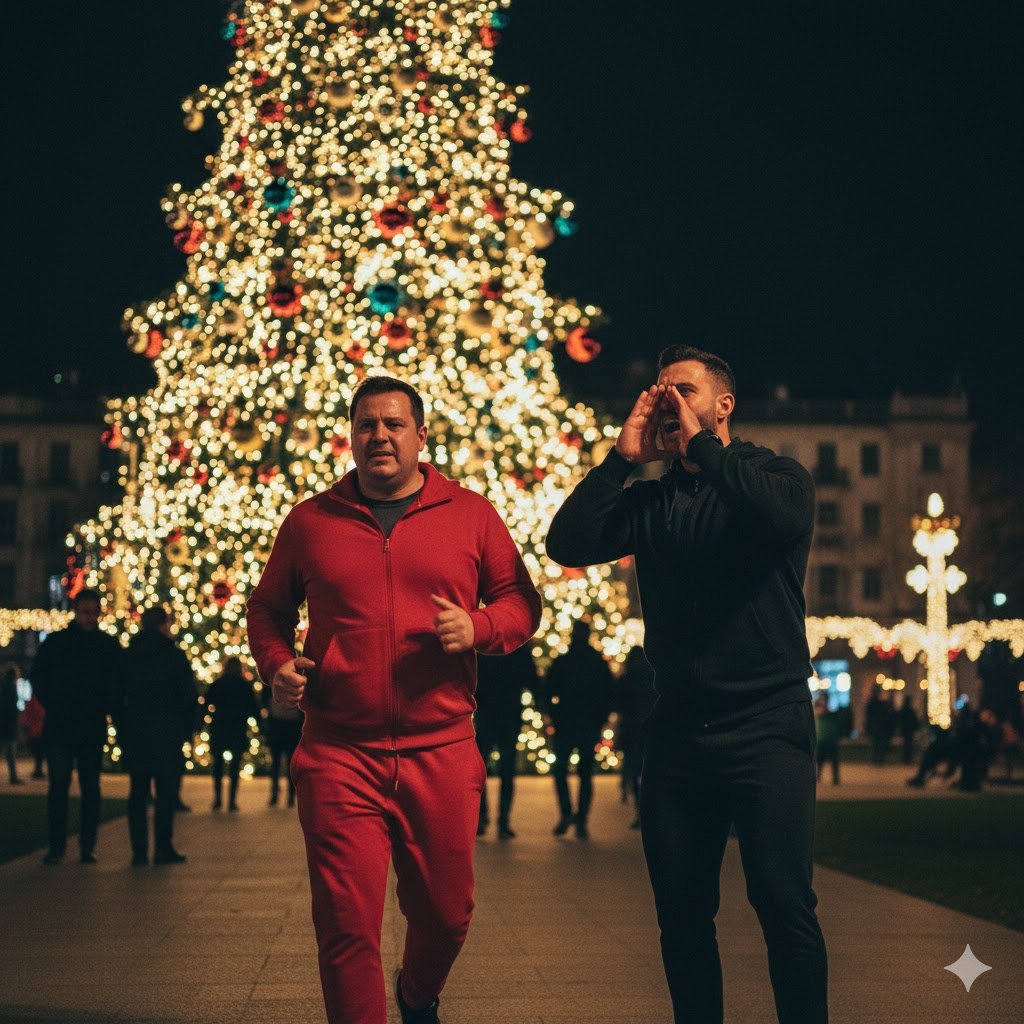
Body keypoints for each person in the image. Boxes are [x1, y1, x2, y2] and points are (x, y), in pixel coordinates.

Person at [546, 345, 828, 1023]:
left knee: (784, 904)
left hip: (768, 725)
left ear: (723, 406)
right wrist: (620, 462)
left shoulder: (775, 476)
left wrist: (705, 448)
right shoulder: (651, 502)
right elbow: (566, 543)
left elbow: (784, 519)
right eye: (660, 391)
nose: (668, 402)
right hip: (678, 732)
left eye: (685, 391)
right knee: (681, 915)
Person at [247, 375, 541, 1024]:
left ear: (421, 436)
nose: (379, 435)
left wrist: (479, 627)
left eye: (393, 424)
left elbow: (522, 602)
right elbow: (267, 608)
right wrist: (276, 663)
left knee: (447, 914)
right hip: (338, 754)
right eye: (366, 425)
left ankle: (417, 993)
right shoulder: (310, 521)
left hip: (442, 751)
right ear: (351, 437)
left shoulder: (471, 514)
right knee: (345, 927)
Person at [30, 588, 120, 865]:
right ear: (76, 612)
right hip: (64, 725)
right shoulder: (59, 643)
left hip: (85, 726)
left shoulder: (105, 645)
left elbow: (116, 684)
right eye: (86, 612)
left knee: (89, 788)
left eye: (93, 613)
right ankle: (59, 847)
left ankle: (85, 846)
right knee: (60, 787)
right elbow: (38, 677)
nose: (90, 618)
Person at [114, 605, 198, 865]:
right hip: (167, 734)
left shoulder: (129, 655)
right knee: (165, 794)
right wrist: (187, 729)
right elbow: (188, 697)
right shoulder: (174, 656)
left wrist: (123, 728)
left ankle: (139, 851)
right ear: (164, 625)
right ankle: (163, 847)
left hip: (137, 732)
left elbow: (116, 697)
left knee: (138, 794)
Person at [542, 620, 614, 840]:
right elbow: (609, 693)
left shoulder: (563, 661)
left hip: (565, 723)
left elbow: (548, 690)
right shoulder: (598, 663)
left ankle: (567, 814)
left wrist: (554, 715)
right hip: (588, 724)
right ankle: (581, 819)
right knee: (585, 773)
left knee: (560, 770)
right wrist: (600, 719)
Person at [475, 642, 537, 839]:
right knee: (506, 770)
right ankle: (503, 821)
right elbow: (532, 680)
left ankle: (482, 818)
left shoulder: (482, 647)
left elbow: (472, 679)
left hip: (486, 713)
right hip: (509, 714)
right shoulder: (518, 649)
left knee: (480, 770)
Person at [206, 657, 259, 812]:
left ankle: (217, 799)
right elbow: (253, 707)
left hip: (219, 727)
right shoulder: (244, 685)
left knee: (218, 765)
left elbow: (207, 703)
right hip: (237, 727)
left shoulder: (218, 683)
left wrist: (199, 724)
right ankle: (231, 801)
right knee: (235, 766)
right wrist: (261, 726)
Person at [616, 646, 658, 828]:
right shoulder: (653, 675)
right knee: (650, 769)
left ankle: (638, 807)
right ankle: (649, 810)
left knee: (634, 768)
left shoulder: (627, 677)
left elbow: (618, 703)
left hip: (632, 728)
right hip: (652, 727)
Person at [262, 683, 303, 807]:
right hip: (290, 726)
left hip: (279, 726)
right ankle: (288, 796)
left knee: (277, 763)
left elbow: (264, 701)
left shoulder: (271, 682)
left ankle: (277, 795)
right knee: (288, 763)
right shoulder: (298, 681)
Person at [1, 662, 23, 785]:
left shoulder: (3, 685)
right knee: (11, 751)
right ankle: (13, 777)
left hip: (4, 723)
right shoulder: (11, 687)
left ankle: (13, 776)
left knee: (8, 751)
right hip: (9, 724)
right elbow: (12, 708)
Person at [813, 694, 841, 785]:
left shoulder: (831, 711)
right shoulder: (818, 710)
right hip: (822, 739)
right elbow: (817, 712)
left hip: (831, 738)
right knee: (819, 760)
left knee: (834, 760)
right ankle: (818, 776)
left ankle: (835, 778)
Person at [865, 688, 895, 765]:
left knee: (877, 744)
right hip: (878, 729)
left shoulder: (876, 704)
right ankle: (878, 759)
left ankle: (878, 759)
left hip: (878, 729)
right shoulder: (877, 704)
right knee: (877, 744)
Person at [21, 690, 46, 779]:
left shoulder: (31, 701)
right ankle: (38, 771)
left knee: (37, 753)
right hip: (39, 730)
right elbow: (41, 714)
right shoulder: (39, 701)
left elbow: (26, 716)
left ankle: (38, 770)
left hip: (34, 731)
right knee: (39, 753)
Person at [898, 694, 920, 764]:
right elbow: (914, 721)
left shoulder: (903, 710)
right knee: (908, 744)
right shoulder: (910, 711)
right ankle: (907, 758)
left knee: (906, 744)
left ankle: (906, 758)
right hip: (909, 730)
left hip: (906, 730)